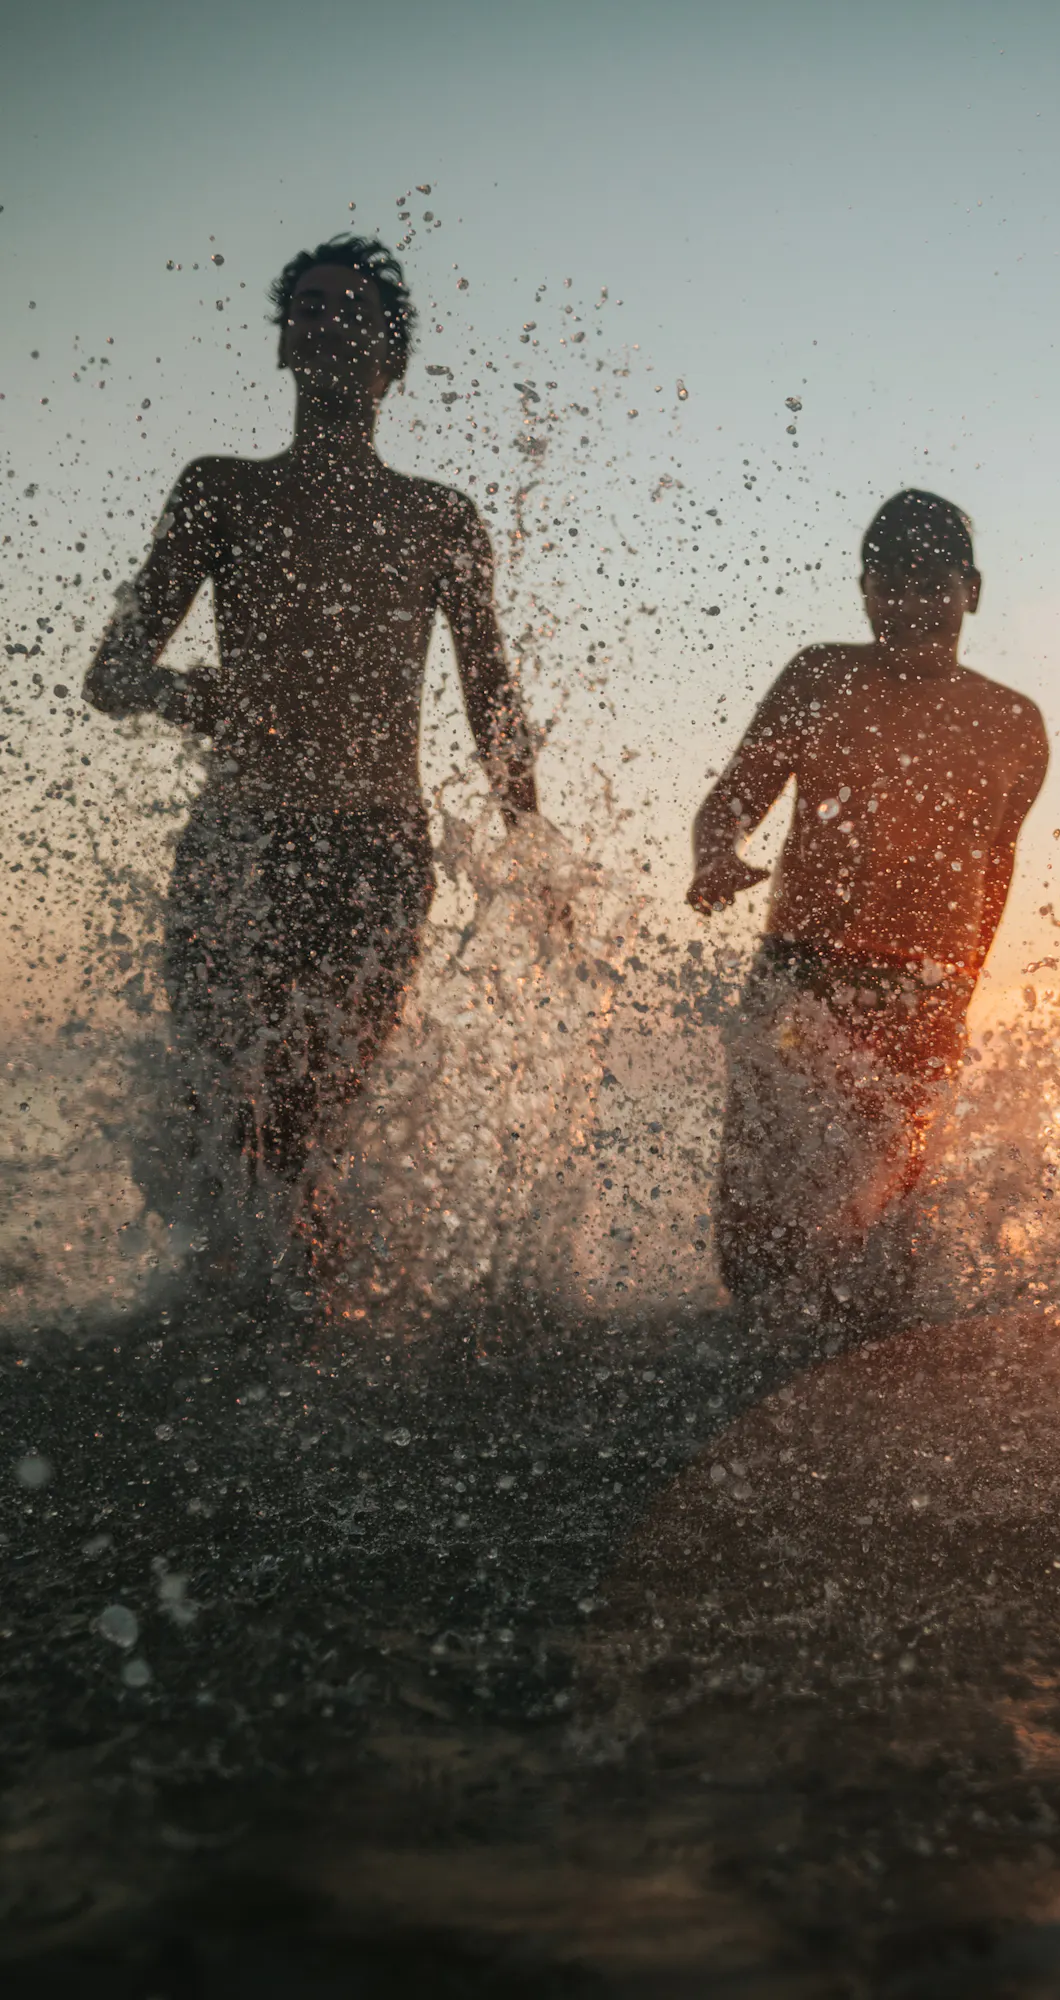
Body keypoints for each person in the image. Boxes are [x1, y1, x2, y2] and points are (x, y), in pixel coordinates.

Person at [84, 235, 543, 1275]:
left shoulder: (440, 517)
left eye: (350, 309)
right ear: (285, 344)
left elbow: (491, 691)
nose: (326, 321)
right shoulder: (222, 491)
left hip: (376, 852)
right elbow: (109, 673)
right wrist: (180, 692)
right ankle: (220, 1315)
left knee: (306, 1126)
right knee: (219, 1107)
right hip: (240, 841)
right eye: (307, 307)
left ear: (394, 354)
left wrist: (528, 830)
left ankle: (305, 1323)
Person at [687, 490, 1049, 1307]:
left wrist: (962, 992)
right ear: (863, 589)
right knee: (755, 1220)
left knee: (890, 1234)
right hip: (799, 982)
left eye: (932, 584)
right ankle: (753, 1368)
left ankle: (869, 1381)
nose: (911, 603)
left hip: (922, 996)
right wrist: (716, 856)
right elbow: (732, 800)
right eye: (890, 582)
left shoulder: (1014, 723)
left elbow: (995, 873)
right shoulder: (820, 676)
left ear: (973, 589)